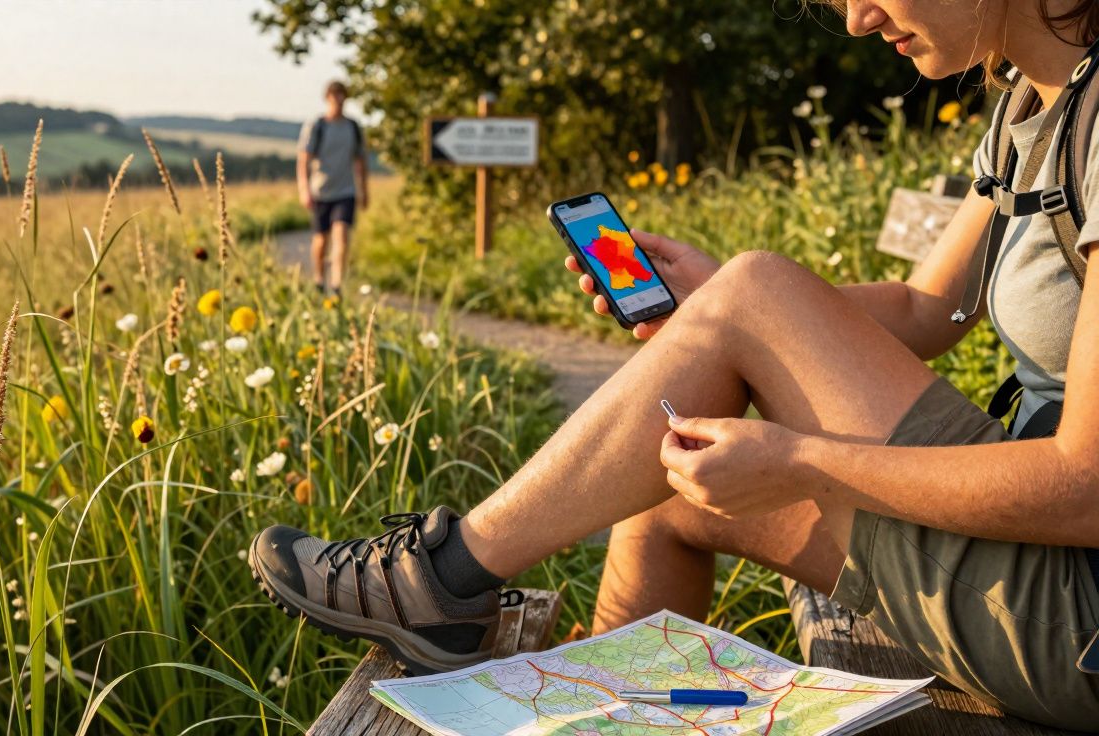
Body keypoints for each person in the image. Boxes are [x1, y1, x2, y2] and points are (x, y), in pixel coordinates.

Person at [250, 1, 1099, 728]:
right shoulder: (1033, 103)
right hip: (1026, 565)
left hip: (1075, 613)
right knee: (671, 484)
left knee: (754, 298)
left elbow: (1086, 484)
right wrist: (719, 311)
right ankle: (578, 713)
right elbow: (927, 310)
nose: (856, 18)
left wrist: (800, 454)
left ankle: (443, 579)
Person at [296, 80, 368, 298]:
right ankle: (319, 279)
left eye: (341, 96)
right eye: (334, 96)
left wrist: (364, 190)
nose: (338, 100)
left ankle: (336, 285)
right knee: (321, 240)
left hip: (346, 191)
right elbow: (303, 160)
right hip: (320, 191)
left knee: (342, 235)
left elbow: (360, 161)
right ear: (327, 98)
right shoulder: (317, 126)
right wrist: (304, 189)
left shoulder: (352, 127)